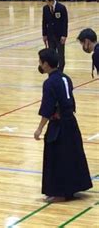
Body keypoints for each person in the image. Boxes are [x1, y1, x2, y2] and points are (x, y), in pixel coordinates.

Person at [34, 48, 92, 203]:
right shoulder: (66, 78)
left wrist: (39, 128)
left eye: (40, 61)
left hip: (58, 125)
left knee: (57, 157)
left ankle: (59, 192)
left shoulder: (49, 83)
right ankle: (73, 187)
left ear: (46, 64)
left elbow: (48, 107)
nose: (39, 64)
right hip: (71, 122)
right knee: (71, 155)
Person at [42, 0, 68, 72]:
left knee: (60, 56)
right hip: (50, 36)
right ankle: (52, 72)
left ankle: (60, 71)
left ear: (51, 0)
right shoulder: (45, 8)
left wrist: (64, 35)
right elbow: (44, 22)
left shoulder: (61, 8)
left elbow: (65, 22)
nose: (46, 2)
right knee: (51, 55)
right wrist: (44, 34)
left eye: (46, 0)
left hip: (59, 36)